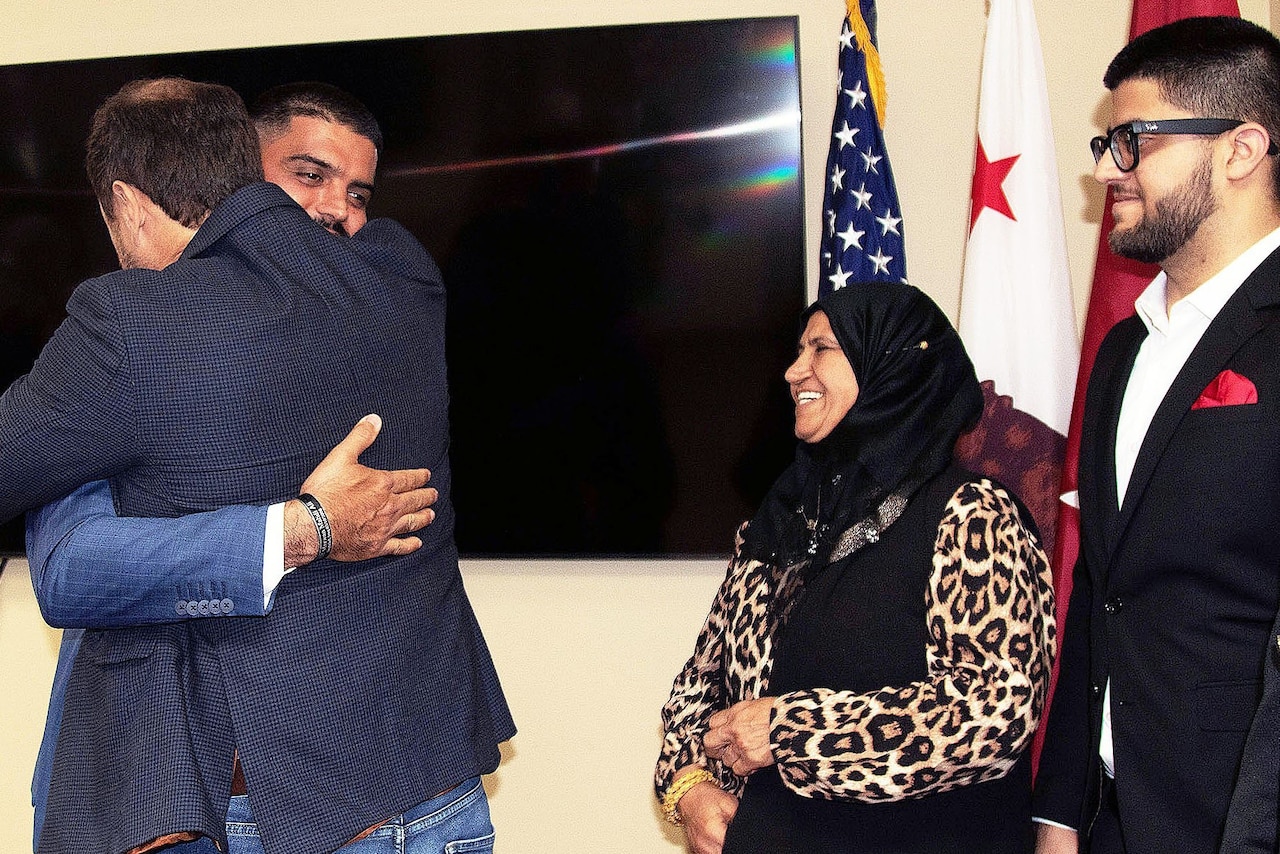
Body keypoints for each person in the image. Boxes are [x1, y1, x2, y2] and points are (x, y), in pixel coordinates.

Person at [0, 77, 515, 854]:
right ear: (250, 171)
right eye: (307, 177)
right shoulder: (405, 280)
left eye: (352, 190)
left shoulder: (130, 328)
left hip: (283, 817)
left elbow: (68, 558)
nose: (334, 210)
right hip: (435, 798)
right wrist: (303, 524)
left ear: (129, 205)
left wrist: (297, 529)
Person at [655, 282, 1056, 854]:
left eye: (821, 349)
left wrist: (792, 732)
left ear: (890, 368)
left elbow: (992, 713)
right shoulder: (781, 524)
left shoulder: (972, 516)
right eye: (797, 352)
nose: (794, 372)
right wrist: (690, 787)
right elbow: (701, 682)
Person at [1032, 17, 1280, 854]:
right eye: (1108, 142)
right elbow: (1103, 595)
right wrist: (1061, 813)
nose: (1106, 169)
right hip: (1110, 823)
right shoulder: (1123, 349)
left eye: (1133, 140)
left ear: (1240, 149)